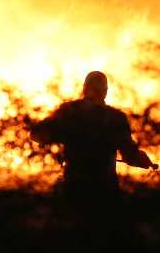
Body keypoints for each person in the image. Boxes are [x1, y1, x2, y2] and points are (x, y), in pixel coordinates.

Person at [33, 71, 153, 201]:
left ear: (84, 88)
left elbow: (37, 133)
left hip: (74, 191)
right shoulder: (116, 118)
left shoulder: (68, 111)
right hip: (105, 193)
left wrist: (48, 140)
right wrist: (142, 160)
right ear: (105, 91)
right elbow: (130, 155)